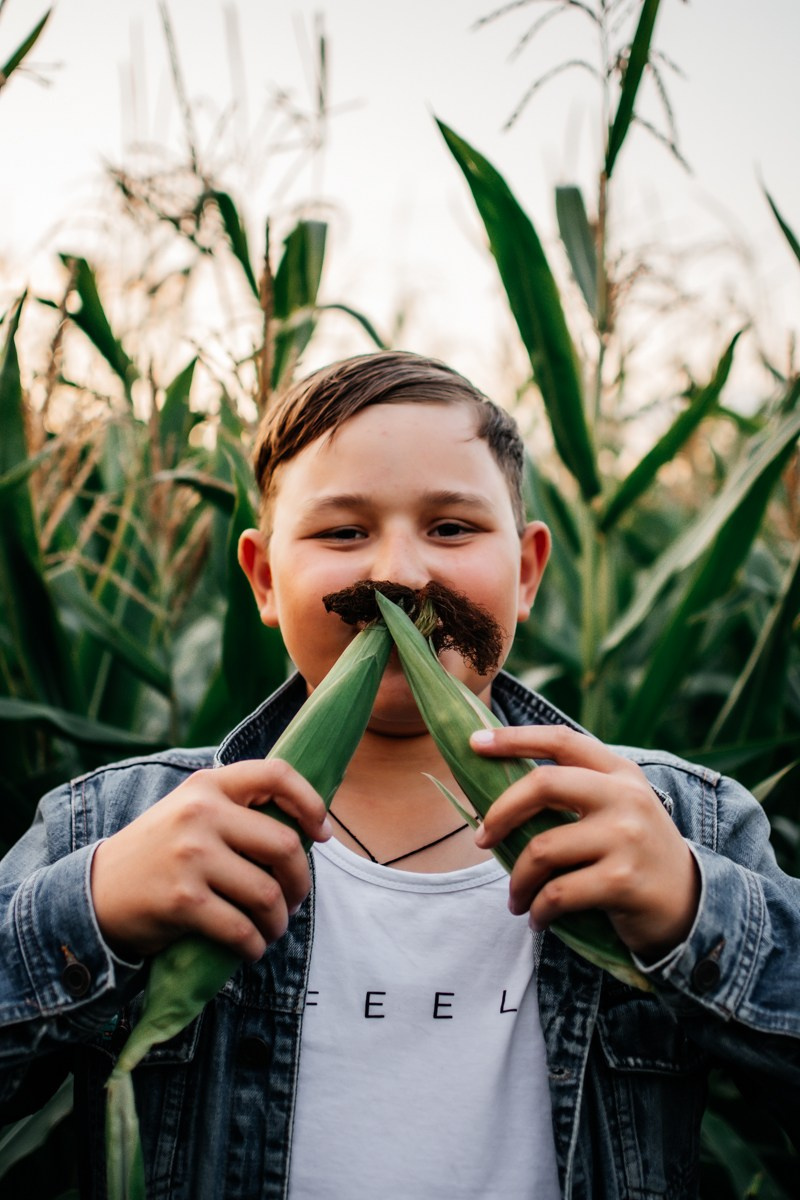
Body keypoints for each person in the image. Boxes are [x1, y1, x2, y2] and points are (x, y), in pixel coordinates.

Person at [1, 350, 798, 1200]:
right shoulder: (113, 826)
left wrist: (693, 908)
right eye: (343, 532)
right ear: (265, 579)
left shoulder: (681, 825)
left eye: (452, 528)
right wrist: (86, 914)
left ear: (526, 572)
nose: (403, 576)